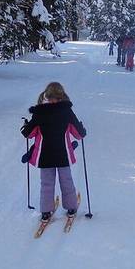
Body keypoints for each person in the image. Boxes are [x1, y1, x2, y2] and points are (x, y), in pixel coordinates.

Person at [21, 82, 87, 223]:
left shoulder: (39, 113)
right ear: (62, 97)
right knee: (66, 180)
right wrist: (82, 129)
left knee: (46, 183)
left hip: (44, 156)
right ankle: (71, 208)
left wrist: (25, 126)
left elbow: (28, 134)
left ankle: (45, 211)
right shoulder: (66, 111)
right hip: (63, 155)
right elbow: (78, 134)